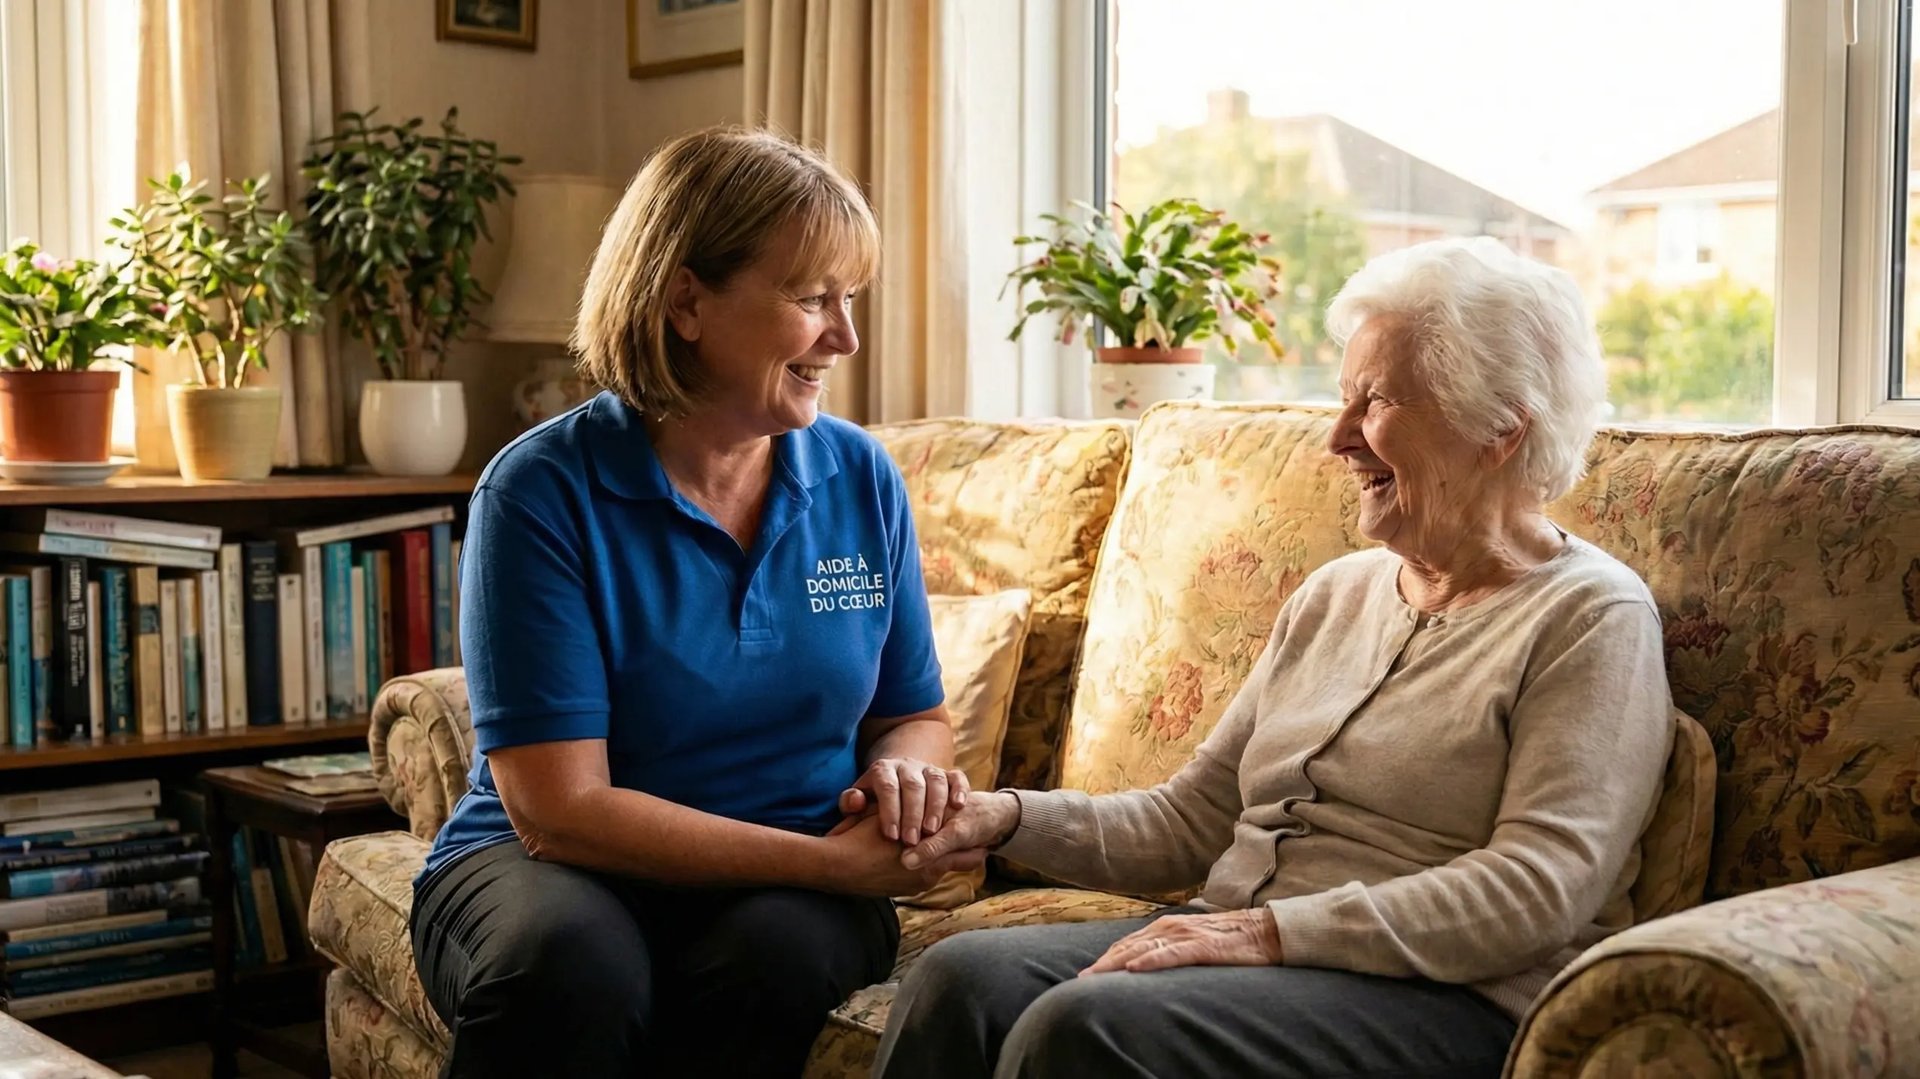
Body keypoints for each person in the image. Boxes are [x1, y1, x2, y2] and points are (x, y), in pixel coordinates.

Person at [873, 237, 1676, 1079]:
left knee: (1091, 1027)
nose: (1337, 437)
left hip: (1452, 998)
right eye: (1343, 400)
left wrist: (1264, 932)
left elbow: (1537, 886)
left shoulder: (1590, 616)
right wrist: (1001, 817)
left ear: (1499, 430)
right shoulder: (1338, 594)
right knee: (959, 978)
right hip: (1263, 957)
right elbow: (1189, 823)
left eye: (1375, 402)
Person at [409, 127, 985, 1079]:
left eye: (851, 300)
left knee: (776, 958)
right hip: (554, 865)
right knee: (572, 964)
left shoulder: (860, 478)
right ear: (685, 300)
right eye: (812, 299)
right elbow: (560, 811)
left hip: (791, 881)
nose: (844, 336)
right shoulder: (541, 489)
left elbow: (912, 714)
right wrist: (832, 866)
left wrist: (907, 777)